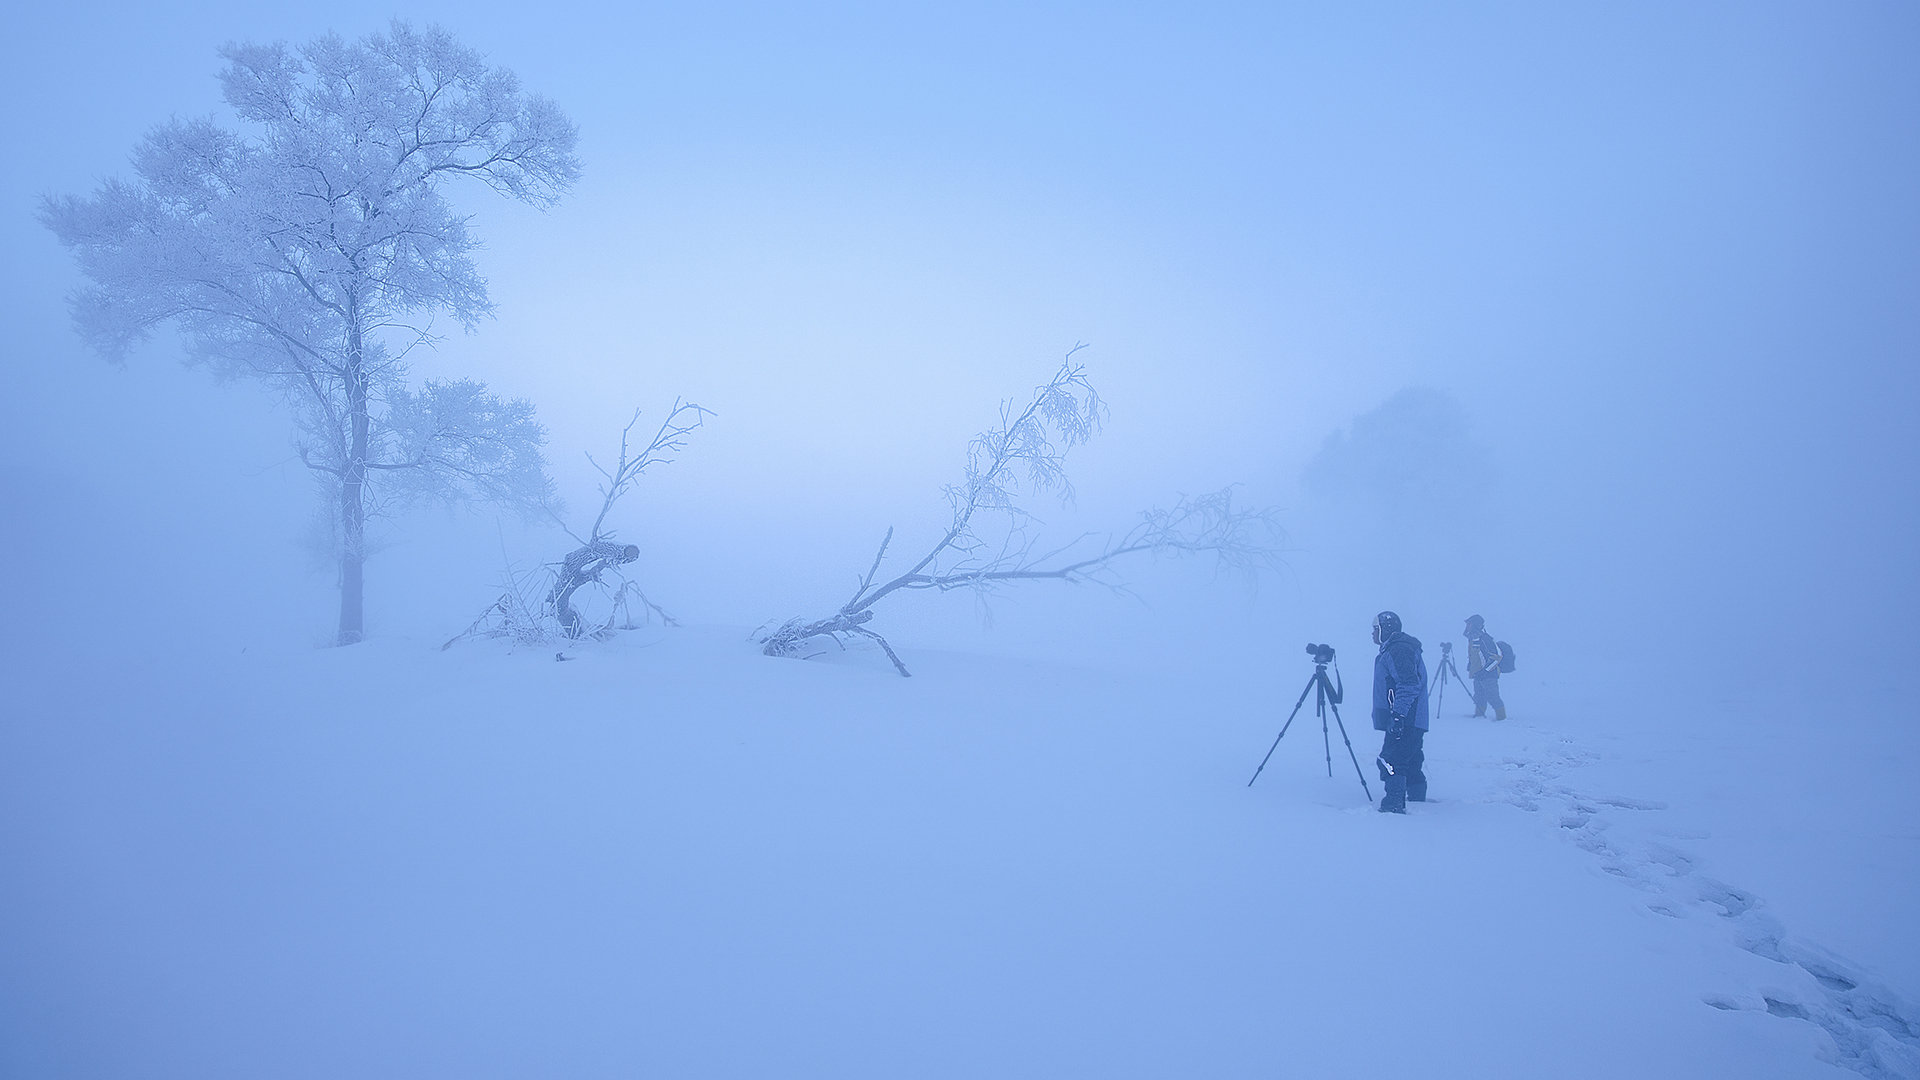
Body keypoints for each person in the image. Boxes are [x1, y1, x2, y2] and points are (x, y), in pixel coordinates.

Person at [1371, 610, 1429, 814]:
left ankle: (1394, 803)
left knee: (1391, 759)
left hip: (1405, 718)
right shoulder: (1397, 648)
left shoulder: (1399, 650)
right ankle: (1417, 800)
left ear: (1387, 629)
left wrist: (1398, 715)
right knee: (1411, 760)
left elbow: (1409, 684)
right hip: (1412, 718)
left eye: (1375, 629)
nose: (1372, 633)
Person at [1463, 614, 1506, 721]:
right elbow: (1476, 655)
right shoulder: (1473, 639)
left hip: (1489, 675)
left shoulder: (1485, 639)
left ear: (1475, 625)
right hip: (1478, 674)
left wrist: (1485, 671)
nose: (1467, 626)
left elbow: (1496, 658)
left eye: (1469, 623)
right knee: (1479, 697)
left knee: (1493, 697)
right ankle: (1479, 717)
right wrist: (1471, 665)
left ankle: (1502, 718)